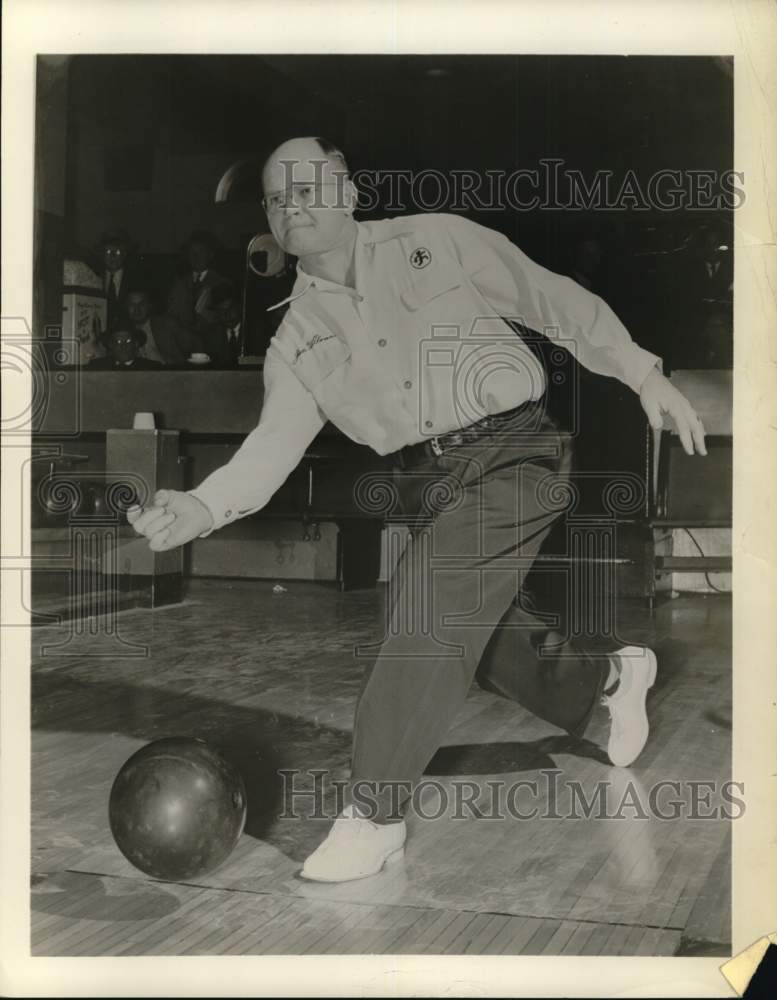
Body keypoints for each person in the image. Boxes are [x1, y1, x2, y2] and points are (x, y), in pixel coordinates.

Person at [128, 137, 707, 883]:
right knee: (442, 612)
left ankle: (374, 815)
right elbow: (271, 450)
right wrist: (201, 507)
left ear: (347, 193)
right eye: (275, 198)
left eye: (305, 187)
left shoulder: (433, 241)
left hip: (515, 451)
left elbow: (550, 299)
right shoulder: (296, 339)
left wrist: (640, 373)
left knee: (430, 608)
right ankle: (603, 678)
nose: (290, 205)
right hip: (426, 479)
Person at [165, 230, 226, 338]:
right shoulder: (179, 283)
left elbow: (219, 319)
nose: (195, 256)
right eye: (191, 252)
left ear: (210, 255)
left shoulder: (221, 283)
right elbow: (172, 313)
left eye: (200, 251)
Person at [126, 289, 202, 365]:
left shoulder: (166, 324)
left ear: (149, 305)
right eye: (132, 305)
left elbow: (196, 344)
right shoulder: (123, 331)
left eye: (141, 304)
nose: (137, 309)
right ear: (126, 307)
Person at [97, 229, 144, 332]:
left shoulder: (137, 280)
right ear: (102, 254)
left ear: (125, 254)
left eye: (117, 252)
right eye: (108, 252)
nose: (113, 256)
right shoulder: (94, 278)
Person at [203, 282, 243, 368]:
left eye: (230, 309)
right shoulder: (211, 336)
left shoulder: (256, 333)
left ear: (239, 307)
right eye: (221, 311)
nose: (226, 315)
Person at [88, 326, 164, 369]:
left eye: (128, 341)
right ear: (111, 345)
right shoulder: (97, 366)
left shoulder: (152, 368)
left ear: (135, 344)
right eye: (118, 342)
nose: (123, 346)